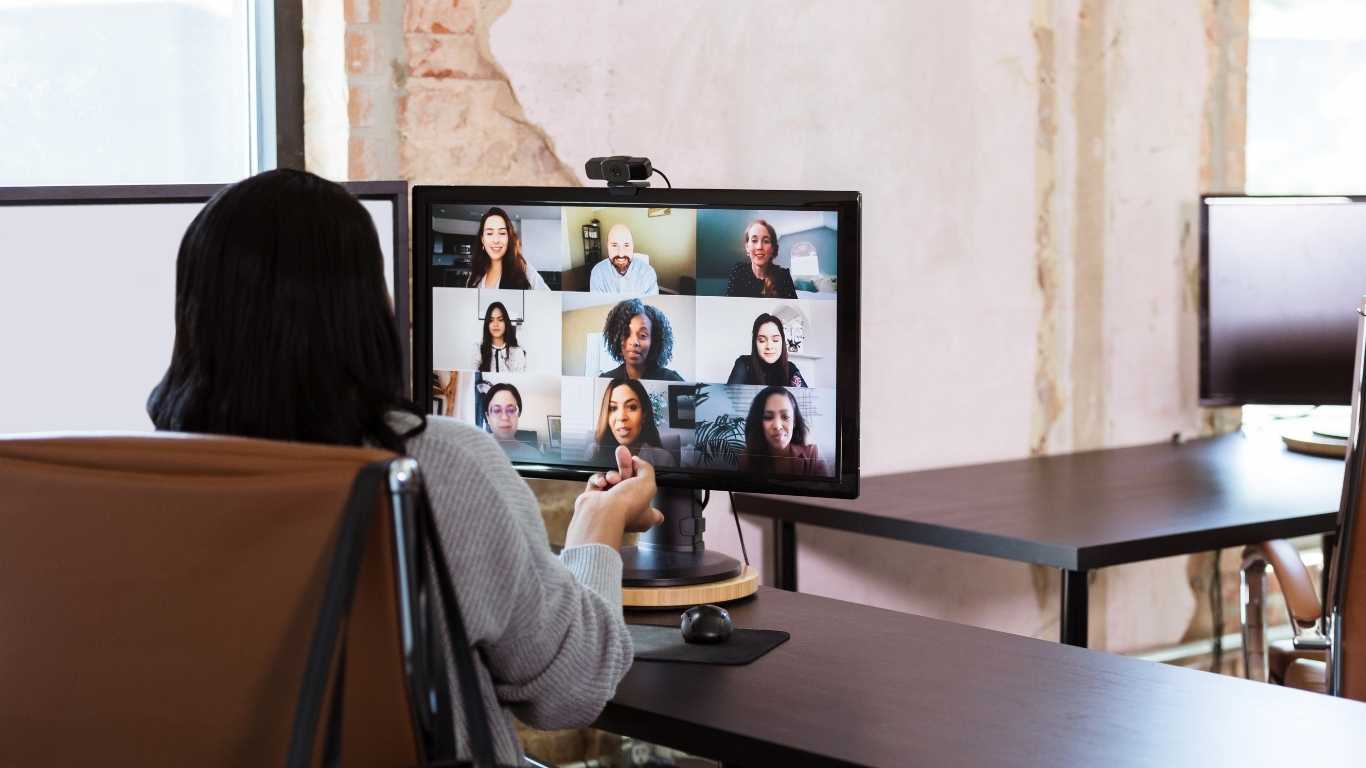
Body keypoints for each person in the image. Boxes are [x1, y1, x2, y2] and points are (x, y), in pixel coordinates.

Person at [146, 169, 661, 765]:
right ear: (363, 310)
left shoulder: (153, 487)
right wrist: (597, 528)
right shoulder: (439, 466)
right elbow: (569, 691)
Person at [581, 377, 675, 467]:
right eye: (613, 408)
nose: (621, 417)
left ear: (644, 415)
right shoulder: (593, 452)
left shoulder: (663, 459)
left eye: (632, 407)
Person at [738, 386, 830, 476]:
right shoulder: (747, 458)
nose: (777, 426)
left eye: (785, 417)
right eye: (768, 417)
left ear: (794, 421)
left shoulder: (812, 455)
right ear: (759, 423)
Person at [467, 206, 551, 290]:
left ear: (509, 238)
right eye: (489, 233)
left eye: (502, 233)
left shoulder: (522, 268)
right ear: (483, 239)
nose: (496, 240)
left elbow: (548, 299)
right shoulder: (475, 275)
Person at [599, 298, 683, 381]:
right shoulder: (605, 380)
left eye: (643, 335)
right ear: (616, 339)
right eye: (626, 334)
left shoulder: (672, 380)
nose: (634, 342)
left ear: (653, 341)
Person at [726, 312, 809, 387]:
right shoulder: (744, 364)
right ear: (755, 342)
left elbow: (806, 399)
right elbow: (729, 398)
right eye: (762, 340)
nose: (769, 346)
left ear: (782, 341)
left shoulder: (790, 368)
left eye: (775, 340)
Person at [724, 219, 797, 298]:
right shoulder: (738, 270)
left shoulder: (783, 275)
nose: (759, 247)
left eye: (766, 241)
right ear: (747, 247)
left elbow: (791, 308)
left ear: (772, 248)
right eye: (754, 240)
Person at [589, 223, 659, 294]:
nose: (621, 254)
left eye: (626, 245)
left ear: (632, 246)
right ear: (607, 246)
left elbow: (651, 303)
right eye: (614, 245)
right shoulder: (598, 273)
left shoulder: (648, 273)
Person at [482, 382, 544, 462]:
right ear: (488, 417)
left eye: (511, 410)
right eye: (497, 410)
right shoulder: (473, 451)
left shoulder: (533, 455)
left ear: (518, 414)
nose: (504, 417)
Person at [472, 301, 527, 372]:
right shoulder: (478, 349)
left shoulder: (517, 352)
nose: (496, 324)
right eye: (491, 320)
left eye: (500, 320)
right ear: (487, 324)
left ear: (506, 323)